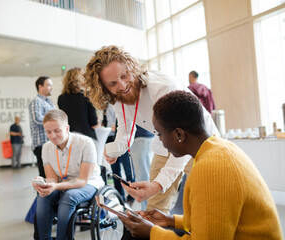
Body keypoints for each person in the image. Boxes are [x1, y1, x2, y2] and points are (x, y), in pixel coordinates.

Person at [119, 90, 283, 240]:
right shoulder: (217, 149)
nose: (160, 141)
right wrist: (170, 220)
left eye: (160, 134)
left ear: (179, 134)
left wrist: (152, 232)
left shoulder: (212, 169)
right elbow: (215, 218)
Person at [84, 45, 219, 213]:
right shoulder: (117, 97)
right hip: (165, 141)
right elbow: (126, 128)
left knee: (204, 203)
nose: (123, 85)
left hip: (197, 142)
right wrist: (117, 148)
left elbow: (182, 139)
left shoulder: (163, 87)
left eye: (124, 75)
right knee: (154, 208)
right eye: (112, 83)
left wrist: (158, 185)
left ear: (131, 67)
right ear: (104, 88)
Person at [33, 109, 104, 240]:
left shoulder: (86, 143)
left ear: (67, 128)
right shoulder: (46, 147)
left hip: (89, 183)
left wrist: (55, 186)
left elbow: (82, 180)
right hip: (61, 184)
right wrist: (43, 183)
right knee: (43, 196)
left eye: (57, 131)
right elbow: (52, 178)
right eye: (48, 132)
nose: (53, 136)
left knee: (69, 196)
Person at [58, 67, 98, 140]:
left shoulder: (61, 98)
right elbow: (94, 123)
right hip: (87, 137)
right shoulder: (87, 96)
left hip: (69, 138)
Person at [29, 76, 55, 177]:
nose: (51, 88)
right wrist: (54, 121)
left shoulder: (49, 102)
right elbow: (37, 119)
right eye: (48, 85)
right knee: (45, 176)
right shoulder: (36, 101)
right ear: (40, 86)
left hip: (51, 144)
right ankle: (43, 193)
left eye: (52, 85)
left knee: (53, 175)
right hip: (42, 145)